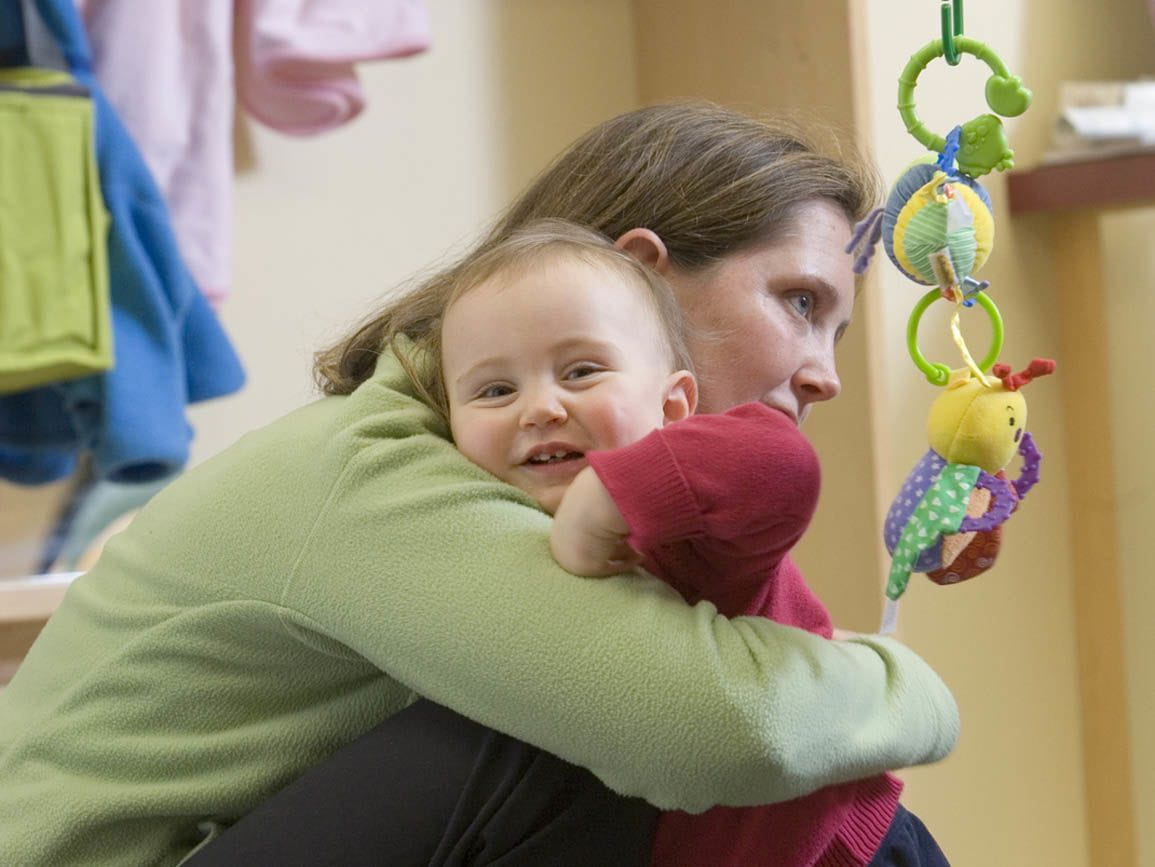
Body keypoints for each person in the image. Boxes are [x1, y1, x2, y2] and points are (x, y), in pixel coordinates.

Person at [0, 102, 958, 867]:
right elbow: (719, 728)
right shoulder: (376, 468)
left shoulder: (470, 451)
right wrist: (908, 688)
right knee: (597, 718)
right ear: (639, 278)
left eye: (834, 328)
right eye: (799, 303)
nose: (822, 369)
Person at [428, 220, 949, 866]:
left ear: (674, 406)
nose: (539, 407)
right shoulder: (462, 527)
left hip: (833, 849)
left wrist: (606, 502)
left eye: (581, 372)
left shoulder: (678, 521)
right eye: (495, 390)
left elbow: (781, 461)